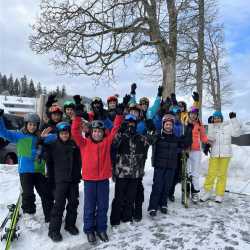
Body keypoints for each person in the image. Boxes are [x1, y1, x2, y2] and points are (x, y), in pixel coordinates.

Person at [71, 103, 123, 245]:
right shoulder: (84, 143)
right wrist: (77, 117)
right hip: (89, 181)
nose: (97, 133)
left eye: (100, 131)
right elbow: (74, 132)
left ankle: (101, 229)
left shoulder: (106, 142)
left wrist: (118, 115)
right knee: (89, 207)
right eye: (95, 131)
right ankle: (89, 230)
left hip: (103, 180)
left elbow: (115, 129)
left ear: (103, 133)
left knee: (103, 206)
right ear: (91, 132)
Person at [0, 109, 53, 222]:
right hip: (25, 171)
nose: (32, 127)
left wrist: (65, 130)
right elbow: (3, 132)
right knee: (28, 194)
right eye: (30, 124)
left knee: (46, 193)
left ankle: (50, 217)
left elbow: (58, 137)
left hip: (38, 171)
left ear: (37, 126)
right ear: (26, 124)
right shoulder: (19, 136)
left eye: (34, 125)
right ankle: (29, 216)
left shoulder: (41, 136)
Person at [110, 114, 150, 225]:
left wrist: (152, 128)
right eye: (128, 123)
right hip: (121, 173)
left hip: (135, 174)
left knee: (130, 198)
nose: (130, 125)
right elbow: (113, 145)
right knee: (118, 198)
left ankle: (127, 218)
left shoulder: (140, 137)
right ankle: (115, 220)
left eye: (132, 123)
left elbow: (153, 139)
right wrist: (120, 133)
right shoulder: (120, 136)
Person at [45, 122, 81, 242]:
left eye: (66, 133)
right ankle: (53, 231)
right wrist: (51, 181)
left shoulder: (74, 145)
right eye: (62, 133)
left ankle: (70, 225)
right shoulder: (53, 146)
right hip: (59, 181)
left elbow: (78, 162)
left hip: (73, 181)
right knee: (58, 205)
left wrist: (77, 176)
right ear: (58, 134)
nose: (64, 135)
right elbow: (49, 164)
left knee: (73, 203)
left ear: (69, 133)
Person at [148, 114, 190, 216]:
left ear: (173, 126)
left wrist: (188, 131)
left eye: (170, 125)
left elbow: (185, 143)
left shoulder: (176, 138)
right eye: (166, 124)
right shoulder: (158, 136)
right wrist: (151, 130)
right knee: (157, 186)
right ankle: (153, 207)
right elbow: (150, 140)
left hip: (171, 166)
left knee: (167, 186)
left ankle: (163, 204)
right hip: (159, 166)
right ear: (163, 125)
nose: (168, 126)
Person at [201, 111, 242, 203]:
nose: (217, 119)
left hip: (226, 154)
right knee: (211, 174)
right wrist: (210, 125)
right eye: (215, 118)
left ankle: (219, 194)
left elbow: (237, 133)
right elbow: (210, 138)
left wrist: (233, 119)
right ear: (213, 119)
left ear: (221, 118)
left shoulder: (228, 126)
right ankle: (207, 192)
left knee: (222, 175)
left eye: (218, 117)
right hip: (214, 154)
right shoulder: (212, 127)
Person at [187, 106, 209, 203]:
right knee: (187, 172)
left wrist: (208, 143)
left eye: (195, 114)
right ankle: (186, 190)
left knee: (195, 172)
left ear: (196, 115)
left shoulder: (200, 124)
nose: (193, 115)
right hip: (186, 150)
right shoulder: (185, 122)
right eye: (192, 113)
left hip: (196, 151)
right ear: (189, 114)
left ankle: (195, 192)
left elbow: (203, 137)